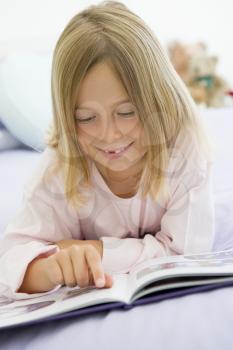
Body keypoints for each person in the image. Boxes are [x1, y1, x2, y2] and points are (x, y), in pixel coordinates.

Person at [0, 0, 215, 300]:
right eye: (86, 118)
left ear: (158, 101)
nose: (109, 135)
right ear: (67, 118)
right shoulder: (61, 169)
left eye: (127, 112)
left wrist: (97, 251)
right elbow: (9, 265)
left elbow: (186, 253)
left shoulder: (183, 147)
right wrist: (50, 267)